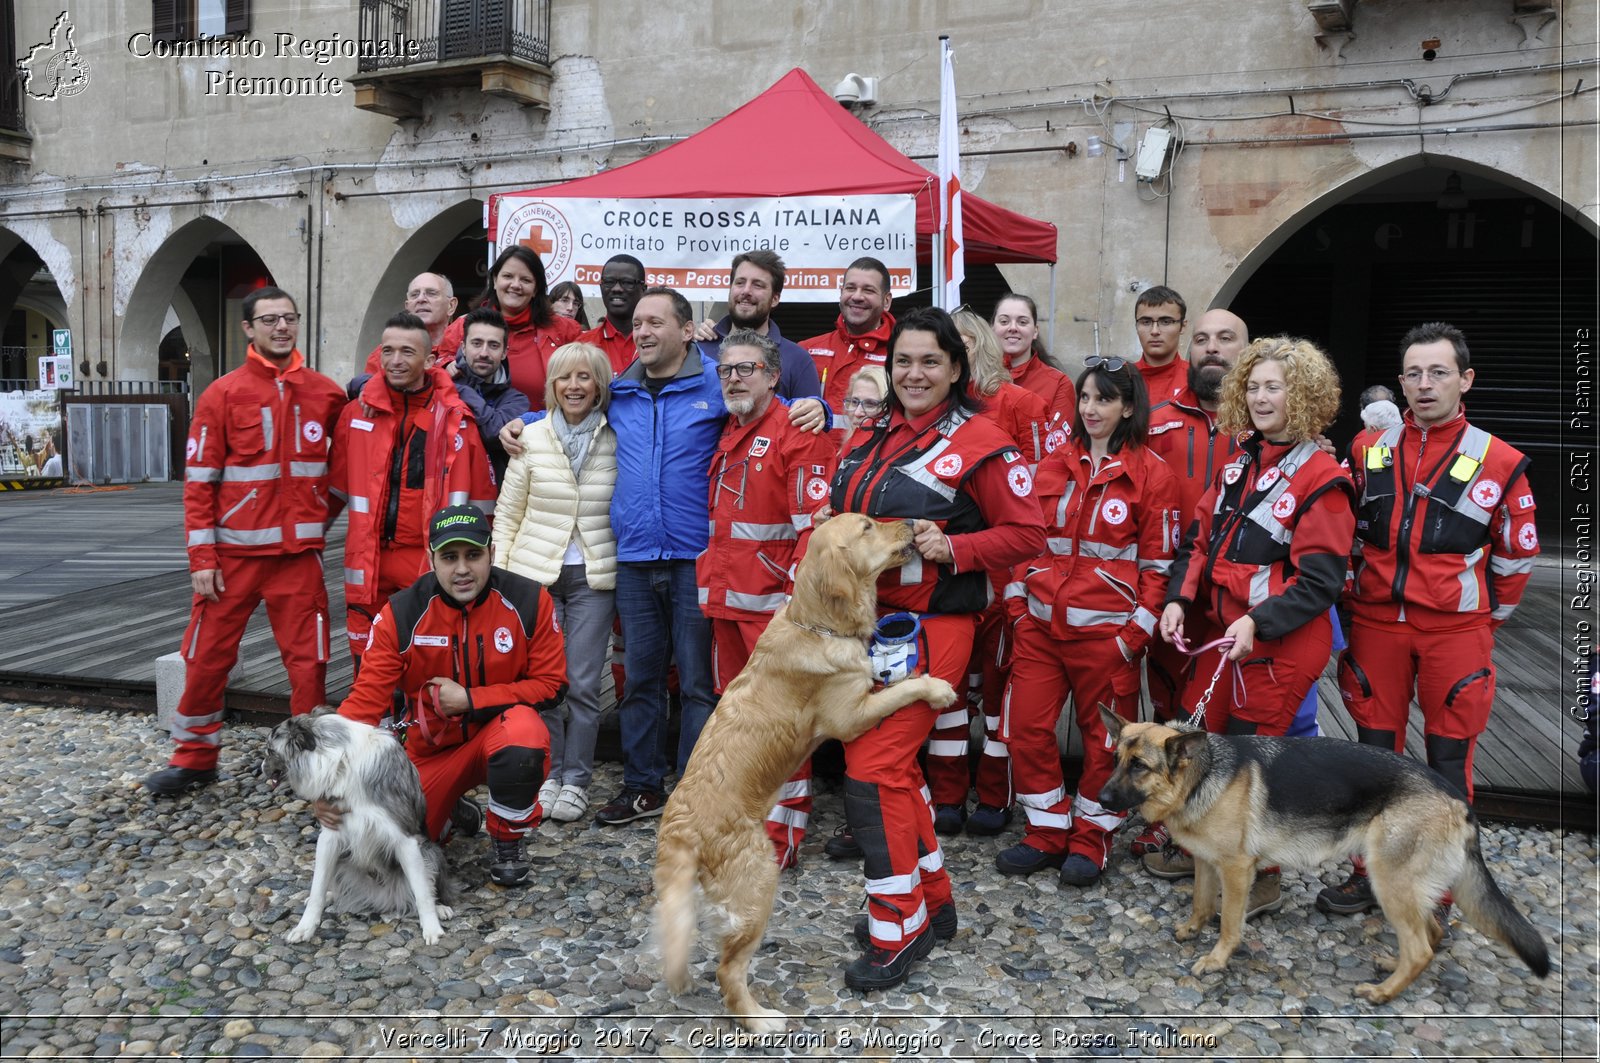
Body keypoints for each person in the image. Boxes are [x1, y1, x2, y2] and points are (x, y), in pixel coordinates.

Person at [829, 306, 1045, 990]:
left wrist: (956, 546)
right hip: (869, 628)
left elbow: (1027, 532)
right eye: (903, 361)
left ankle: (900, 924)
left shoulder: (982, 440)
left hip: (934, 629)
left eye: (929, 361)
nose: (914, 373)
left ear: (956, 368)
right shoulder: (874, 432)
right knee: (893, 770)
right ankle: (932, 900)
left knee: (872, 770)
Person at [1319, 322, 1539, 919]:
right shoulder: (1368, 449)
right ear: (1400, 381)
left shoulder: (1501, 460)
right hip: (1376, 627)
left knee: (1447, 764)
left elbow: (1518, 556)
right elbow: (1345, 533)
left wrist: (1480, 618)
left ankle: (1438, 888)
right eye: (1413, 373)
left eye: (1438, 372)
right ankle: (1370, 874)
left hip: (1456, 633)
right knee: (1374, 758)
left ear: (1465, 379)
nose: (1424, 385)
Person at [1159, 336, 1355, 918]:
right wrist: (1177, 599)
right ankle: (1212, 853)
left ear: (1303, 397)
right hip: (1229, 640)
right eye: (1254, 385)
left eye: (1276, 387)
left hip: (1279, 644)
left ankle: (1261, 877)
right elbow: (1200, 540)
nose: (1261, 396)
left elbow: (1320, 584)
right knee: (1200, 747)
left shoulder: (1323, 477)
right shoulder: (1242, 459)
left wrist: (1256, 621)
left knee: (1251, 765)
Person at [146, 286, 346, 796]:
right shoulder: (222, 394)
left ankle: (313, 765)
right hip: (231, 559)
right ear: (248, 329)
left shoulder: (326, 394)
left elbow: (342, 477)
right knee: (206, 657)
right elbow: (199, 485)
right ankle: (193, 757)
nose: (281, 327)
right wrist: (202, 556)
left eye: (289, 318)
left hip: (297, 560)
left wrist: (313, 522)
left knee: (310, 664)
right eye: (270, 319)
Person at [996, 356, 1179, 885]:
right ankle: (1047, 831)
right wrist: (1016, 608)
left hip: (1107, 639)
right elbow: (1021, 541)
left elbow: (1159, 568)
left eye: (1104, 398)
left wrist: (1131, 639)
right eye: (1085, 397)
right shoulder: (1050, 464)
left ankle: (1091, 837)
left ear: (1127, 407)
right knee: (1026, 729)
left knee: (1105, 745)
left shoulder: (1153, 475)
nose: (1091, 408)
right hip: (1039, 629)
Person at [326, 505, 566, 886]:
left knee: (525, 731)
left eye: (474, 555)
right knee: (385, 864)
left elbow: (552, 686)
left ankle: (507, 840)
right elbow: (363, 706)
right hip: (429, 751)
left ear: (491, 552)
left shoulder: (529, 600)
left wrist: (470, 699)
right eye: (449, 557)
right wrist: (330, 782)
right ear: (430, 559)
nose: (462, 570)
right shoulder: (401, 613)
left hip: (501, 736)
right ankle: (453, 810)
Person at [698, 329, 838, 867]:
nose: (734, 378)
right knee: (741, 719)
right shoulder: (729, 430)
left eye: (746, 369)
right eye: (727, 370)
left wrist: (793, 607)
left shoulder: (797, 433)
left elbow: (813, 530)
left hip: (772, 612)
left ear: (773, 376)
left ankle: (781, 838)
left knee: (782, 723)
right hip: (727, 606)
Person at [935, 309, 1057, 837]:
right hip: (950, 570)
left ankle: (994, 794)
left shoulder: (1022, 404)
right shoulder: (934, 413)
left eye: (964, 340)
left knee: (1002, 695)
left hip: (1007, 574)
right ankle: (944, 795)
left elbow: (1042, 499)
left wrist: (1029, 574)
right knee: (949, 691)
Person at [491, 342, 618, 824]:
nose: (574, 386)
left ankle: (577, 780)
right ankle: (548, 773)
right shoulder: (530, 436)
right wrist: (501, 576)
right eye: (564, 377)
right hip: (533, 577)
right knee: (545, 683)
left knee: (584, 683)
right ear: (551, 385)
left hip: (593, 575)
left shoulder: (616, 436)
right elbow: (507, 514)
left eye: (585, 377)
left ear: (600, 385)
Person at [330, 312, 497, 667]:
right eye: (387, 350)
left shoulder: (457, 421)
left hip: (427, 561)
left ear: (430, 359)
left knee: (424, 663)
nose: (395, 361)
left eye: (407, 351)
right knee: (368, 664)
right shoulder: (354, 416)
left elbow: (484, 507)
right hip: (366, 565)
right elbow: (333, 495)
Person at [439, 246, 582, 412]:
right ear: (494, 280)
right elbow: (436, 364)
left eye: (525, 280)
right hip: (476, 434)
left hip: (543, 433)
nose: (515, 285)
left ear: (536, 289)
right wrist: (447, 365)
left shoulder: (565, 331)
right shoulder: (464, 325)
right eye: (508, 276)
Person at [692, 249, 821, 400]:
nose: (746, 291)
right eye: (740, 282)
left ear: (775, 299)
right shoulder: (699, 349)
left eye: (757, 285)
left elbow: (809, 419)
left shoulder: (798, 360)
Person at [445, 307, 530, 483]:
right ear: (463, 347)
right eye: (476, 343)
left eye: (493, 345)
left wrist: (459, 389)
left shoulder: (517, 400)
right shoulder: (439, 383)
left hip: (492, 504)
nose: (484, 353)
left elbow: (494, 433)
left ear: (505, 352)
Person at [803, 257, 896, 410]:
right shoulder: (806, 350)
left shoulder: (900, 354)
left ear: (886, 301)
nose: (857, 296)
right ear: (841, 293)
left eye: (868, 290)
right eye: (851, 288)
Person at [358, 272, 460, 380]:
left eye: (431, 293)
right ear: (407, 307)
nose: (421, 299)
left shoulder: (470, 346)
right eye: (415, 294)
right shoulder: (384, 354)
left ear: (451, 305)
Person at [992, 294, 1074, 425]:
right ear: (992, 328)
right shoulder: (975, 377)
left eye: (1022, 322)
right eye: (1004, 321)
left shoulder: (1059, 384)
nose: (1012, 328)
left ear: (1035, 331)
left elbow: (1057, 442)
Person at [578, 254, 647, 375]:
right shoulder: (583, 345)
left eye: (627, 282)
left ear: (643, 289)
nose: (617, 289)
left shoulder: (658, 342)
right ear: (601, 288)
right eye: (609, 282)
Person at [1131, 285, 1188, 403]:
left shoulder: (1197, 380)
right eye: (1146, 322)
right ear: (1136, 326)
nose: (1155, 331)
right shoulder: (1120, 379)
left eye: (1166, 322)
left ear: (1183, 326)